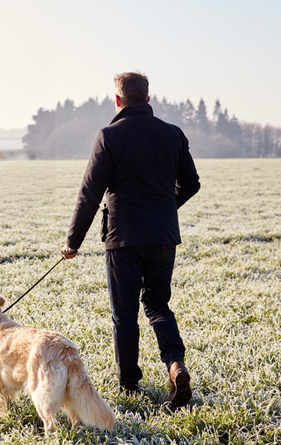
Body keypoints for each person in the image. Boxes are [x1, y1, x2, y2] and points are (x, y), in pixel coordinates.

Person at [61, 71, 200, 406]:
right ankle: (175, 365)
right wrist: (165, 207)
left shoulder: (109, 135)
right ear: (148, 99)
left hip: (122, 238)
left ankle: (129, 385)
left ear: (118, 100)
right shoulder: (173, 134)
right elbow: (192, 183)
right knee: (157, 304)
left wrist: (73, 241)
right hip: (164, 237)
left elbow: (90, 193)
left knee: (124, 313)